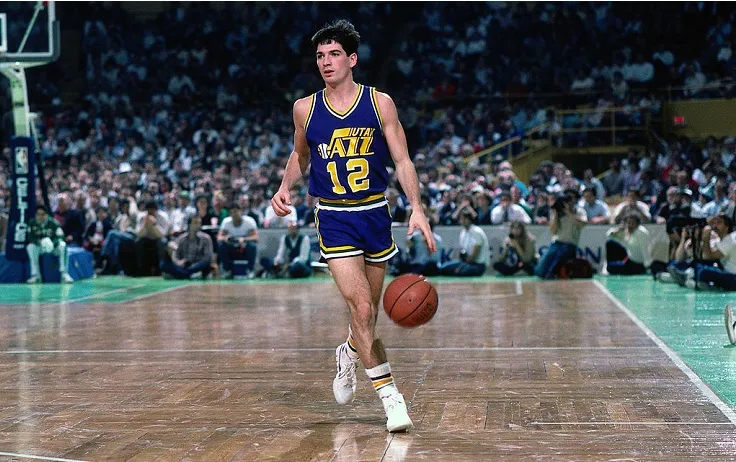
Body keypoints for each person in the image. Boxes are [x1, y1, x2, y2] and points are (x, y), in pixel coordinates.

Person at [270, 19, 435, 433]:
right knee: (361, 308)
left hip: (375, 213)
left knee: (369, 316)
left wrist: (417, 207)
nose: (326, 62)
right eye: (320, 56)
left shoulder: (380, 103)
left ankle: (348, 351)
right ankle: (391, 398)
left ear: (352, 59)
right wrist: (285, 186)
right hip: (334, 216)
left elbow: (402, 160)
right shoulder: (305, 108)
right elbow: (301, 155)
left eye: (334, 54)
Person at [535, 189, 588, 279]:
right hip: (556, 243)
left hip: (570, 244)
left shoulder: (579, 211)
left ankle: (552, 273)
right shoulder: (557, 212)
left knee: (556, 262)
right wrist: (556, 214)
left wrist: (568, 213)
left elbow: (583, 224)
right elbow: (553, 231)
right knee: (539, 271)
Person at [26, 205, 74, 283]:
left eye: (43, 214)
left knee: (63, 245)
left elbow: (61, 236)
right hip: (40, 247)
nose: (40, 217)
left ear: (47, 215)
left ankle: (64, 274)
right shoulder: (32, 223)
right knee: (30, 247)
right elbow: (30, 237)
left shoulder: (54, 223)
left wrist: (53, 243)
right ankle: (35, 275)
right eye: (38, 214)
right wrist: (39, 242)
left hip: (53, 248)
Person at [161, 215, 213, 280]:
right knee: (163, 264)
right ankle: (189, 275)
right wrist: (178, 262)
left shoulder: (206, 238)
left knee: (205, 265)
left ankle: (182, 274)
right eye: (195, 223)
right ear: (189, 225)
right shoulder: (182, 238)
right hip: (185, 265)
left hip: (198, 266)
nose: (198, 225)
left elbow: (207, 258)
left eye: (199, 223)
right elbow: (176, 254)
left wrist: (194, 266)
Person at [440, 210, 489, 276]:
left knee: (462, 271)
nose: (462, 221)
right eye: (461, 219)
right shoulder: (463, 233)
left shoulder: (477, 232)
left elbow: (474, 256)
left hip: (478, 265)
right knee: (444, 268)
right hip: (465, 263)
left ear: (469, 219)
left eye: (465, 218)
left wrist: (461, 267)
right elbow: (462, 252)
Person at [217, 202, 259, 279]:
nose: (234, 214)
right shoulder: (226, 222)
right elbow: (219, 237)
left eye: (236, 211)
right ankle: (227, 270)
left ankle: (251, 270)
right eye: (231, 212)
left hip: (245, 248)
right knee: (221, 246)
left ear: (240, 211)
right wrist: (226, 238)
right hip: (231, 247)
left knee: (252, 246)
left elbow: (255, 238)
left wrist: (243, 239)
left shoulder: (249, 221)